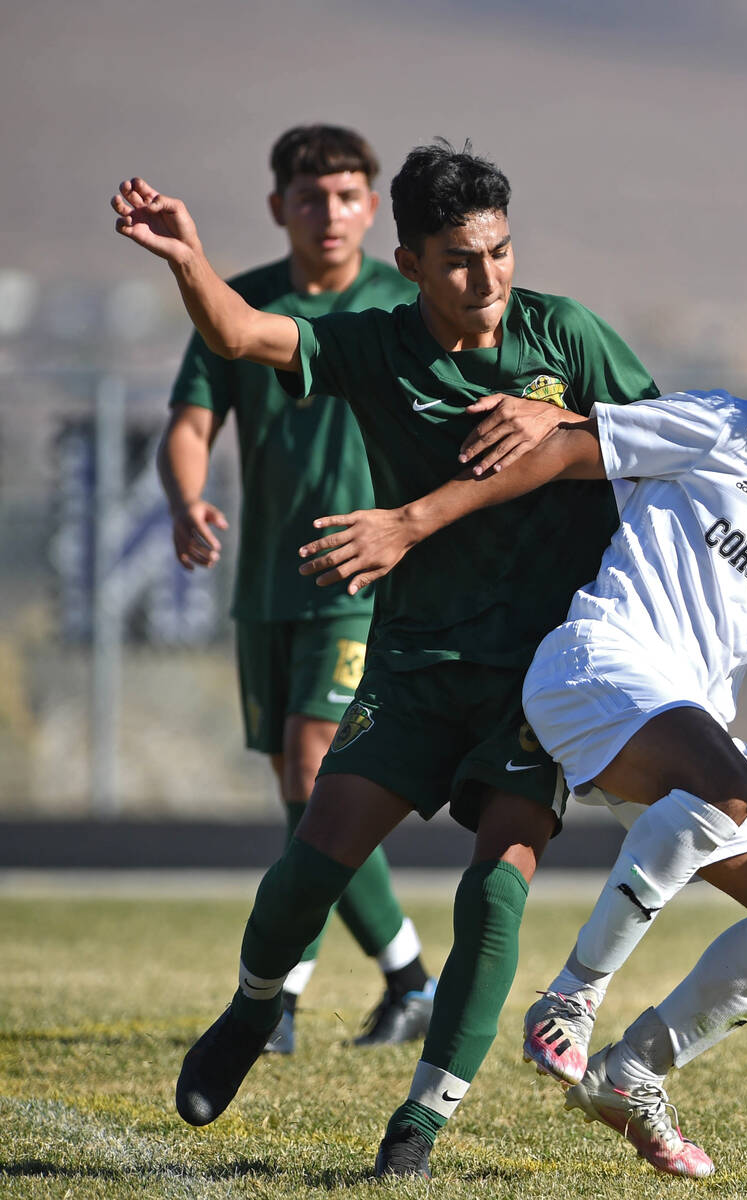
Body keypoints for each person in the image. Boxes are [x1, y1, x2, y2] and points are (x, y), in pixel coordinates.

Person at [297, 261, 747, 1178]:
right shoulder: (728, 431)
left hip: (686, 741)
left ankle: (632, 1071)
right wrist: (425, 514)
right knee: (723, 783)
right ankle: (570, 1000)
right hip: (594, 668)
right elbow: (570, 450)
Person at [112, 140, 660, 1179]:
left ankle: (419, 1124)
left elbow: (664, 440)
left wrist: (563, 420)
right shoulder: (373, 344)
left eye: (498, 251)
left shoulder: (565, 335)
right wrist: (186, 258)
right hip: (413, 661)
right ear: (408, 264)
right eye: (459, 259)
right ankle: (255, 1004)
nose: (486, 277)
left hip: (542, 679)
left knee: (494, 892)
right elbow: (238, 332)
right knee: (313, 852)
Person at [156, 125, 435, 1057]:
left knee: (317, 762)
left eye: (349, 195)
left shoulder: (406, 304)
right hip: (266, 587)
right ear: (280, 206)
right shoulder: (241, 307)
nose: (330, 213)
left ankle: (293, 993)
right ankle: (395, 981)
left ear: (371, 207)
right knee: (297, 783)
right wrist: (187, 497)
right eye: (311, 197)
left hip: (363, 583)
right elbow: (190, 422)